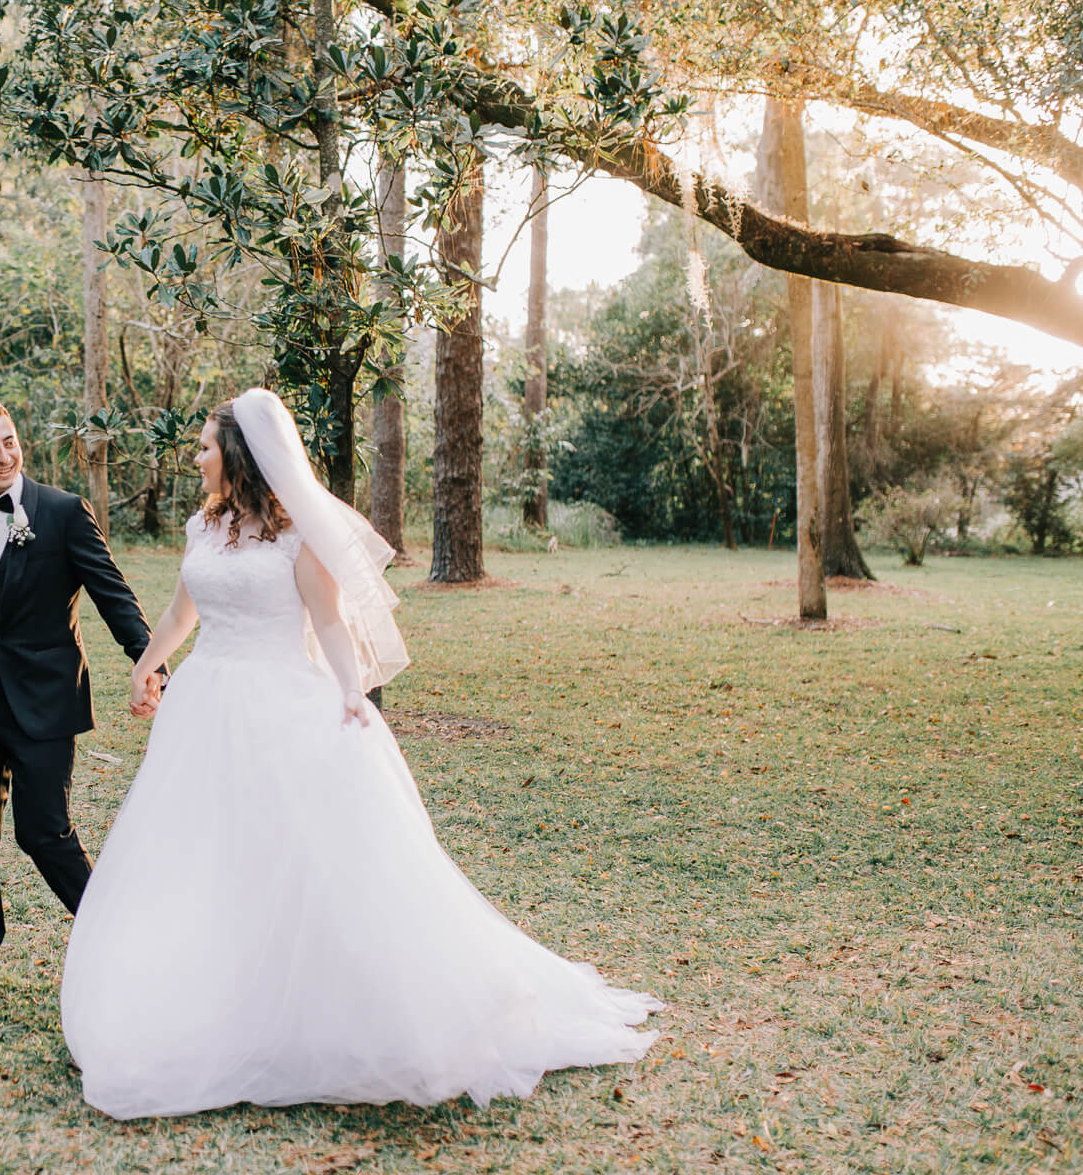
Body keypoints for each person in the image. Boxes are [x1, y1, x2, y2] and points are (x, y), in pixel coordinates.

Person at [59, 388, 661, 1118]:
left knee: (298, 855)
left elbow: (331, 623)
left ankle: (307, 1007)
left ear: (239, 458)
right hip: (205, 710)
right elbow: (185, 609)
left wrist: (350, 693)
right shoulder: (201, 525)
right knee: (209, 852)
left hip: (280, 703)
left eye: (206, 446)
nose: (196, 457)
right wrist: (148, 661)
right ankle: (215, 990)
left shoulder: (297, 537)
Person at [0, 400, 162, 1021]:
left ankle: (127, 947)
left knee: (43, 831)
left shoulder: (64, 513)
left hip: (45, 700)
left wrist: (151, 664)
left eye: (9, 441)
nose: (4, 455)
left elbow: (112, 593)